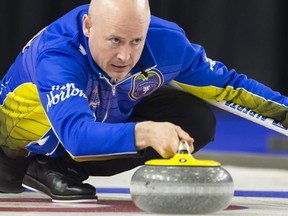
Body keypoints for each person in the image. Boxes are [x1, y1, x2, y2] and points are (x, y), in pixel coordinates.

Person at [0, 0, 287, 202]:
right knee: (11, 170)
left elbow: (230, 86)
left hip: (96, 117)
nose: (125, 56)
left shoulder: (166, 42)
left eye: (135, 41)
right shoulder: (58, 55)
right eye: (114, 41)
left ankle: (62, 170)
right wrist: (145, 131)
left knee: (194, 119)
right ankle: (37, 165)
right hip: (19, 146)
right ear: (88, 26)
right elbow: (76, 135)